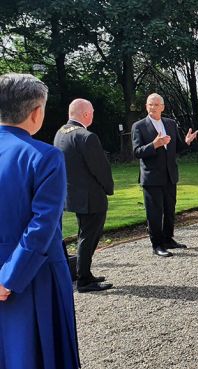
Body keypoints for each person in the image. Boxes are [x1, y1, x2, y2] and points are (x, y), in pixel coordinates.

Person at [0, 73, 79, 369]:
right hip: (34, 274)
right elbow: (42, 226)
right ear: (36, 112)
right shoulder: (44, 156)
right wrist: (9, 277)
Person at [53, 98, 114, 293]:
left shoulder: (60, 133)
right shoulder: (87, 136)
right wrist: (108, 188)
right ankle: (84, 280)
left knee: (83, 235)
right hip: (90, 197)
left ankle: (84, 272)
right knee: (89, 237)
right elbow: (100, 169)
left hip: (72, 194)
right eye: (92, 112)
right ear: (86, 114)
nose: (93, 115)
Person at [132, 93, 198, 257]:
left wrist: (187, 142)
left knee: (169, 210)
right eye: (150, 104)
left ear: (163, 107)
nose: (152, 107)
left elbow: (176, 148)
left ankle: (168, 239)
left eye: (156, 104)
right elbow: (137, 152)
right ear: (146, 106)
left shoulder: (170, 123)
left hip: (170, 175)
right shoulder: (139, 126)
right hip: (152, 177)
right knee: (155, 213)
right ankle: (157, 245)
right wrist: (154, 145)